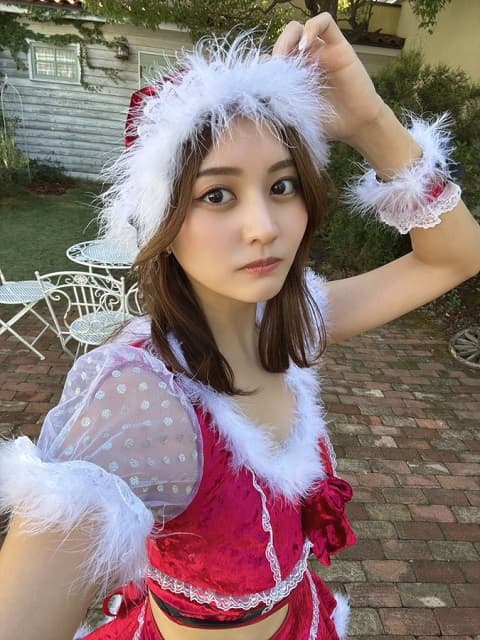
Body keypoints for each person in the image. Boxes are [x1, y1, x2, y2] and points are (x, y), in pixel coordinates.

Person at [1, 13, 479, 640]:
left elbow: (454, 256)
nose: (265, 227)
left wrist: (370, 122)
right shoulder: (138, 396)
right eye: (217, 195)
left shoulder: (290, 322)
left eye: (282, 185)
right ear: (161, 219)